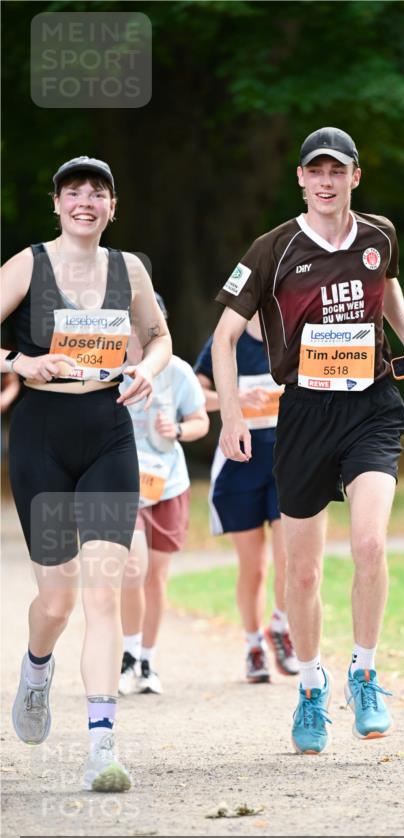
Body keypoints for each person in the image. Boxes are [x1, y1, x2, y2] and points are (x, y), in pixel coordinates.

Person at [212, 126, 404, 754]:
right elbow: (224, 337)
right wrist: (231, 416)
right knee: (300, 576)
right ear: (301, 179)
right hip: (304, 412)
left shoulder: (380, 234)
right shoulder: (272, 248)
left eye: (338, 171)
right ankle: (311, 686)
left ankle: (365, 675)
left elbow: (388, 285)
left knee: (370, 542)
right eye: (316, 171)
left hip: (371, 406)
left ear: (355, 176)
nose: (327, 181)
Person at [1, 156, 171, 792]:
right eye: (73, 192)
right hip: (42, 438)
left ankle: (102, 747)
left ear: (112, 208)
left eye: (97, 193)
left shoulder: (129, 270)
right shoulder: (29, 264)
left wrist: (148, 366)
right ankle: (36, 668)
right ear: (57, 204)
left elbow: (160, 337)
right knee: (57, 600)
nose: (85, 201)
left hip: (107, 434)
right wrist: (19, 361)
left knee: (104, 593)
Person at [194, 314, 298, 683]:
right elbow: (195, 395)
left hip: (287, 461)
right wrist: (235, 398)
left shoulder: (295, 332)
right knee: (254, 567)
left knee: (290, 558)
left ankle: (280, 626)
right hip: (239, 464)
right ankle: (253, 645)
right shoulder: (227, 339)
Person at [119, 294, 209, 695]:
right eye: (134, 323)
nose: (140, 332)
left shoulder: (178, 371)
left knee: (155, 578)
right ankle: (127, 656)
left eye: (150, 324)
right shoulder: (108, 371)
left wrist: (179, 430)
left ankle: (147, 661)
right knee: (132, 569)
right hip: (123, 485)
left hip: (167, 484)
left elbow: (200, 421)